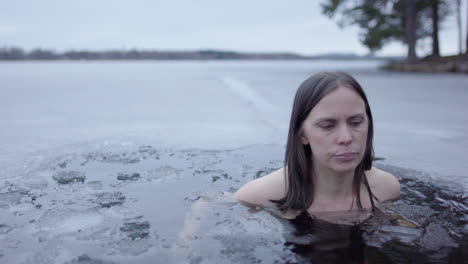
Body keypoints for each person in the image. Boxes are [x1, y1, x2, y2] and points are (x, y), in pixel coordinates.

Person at [234, 72, 400, 221]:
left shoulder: (386, 189)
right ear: (302, 135)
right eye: (328, 126)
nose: (346, 138)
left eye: (356, 123)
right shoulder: (258, 196)